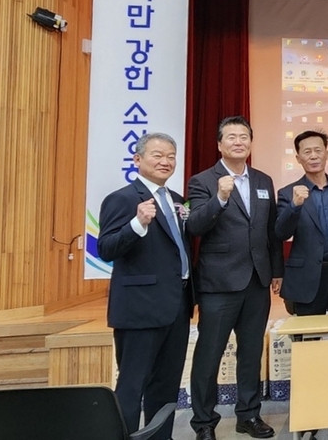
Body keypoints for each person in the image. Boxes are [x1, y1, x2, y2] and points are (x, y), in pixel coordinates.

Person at [186, 116, 283, 440]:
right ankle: (203, 423)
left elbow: (269, 232)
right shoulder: (203, 181)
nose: (238, 141)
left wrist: (276, 271)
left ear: (251, 143)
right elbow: (195, 226)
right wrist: (220, 199)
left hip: (257, 281)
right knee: (209, 355)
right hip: (219, 284)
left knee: (251, 352)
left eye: (244, 136)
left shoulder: (262, 180)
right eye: (231, 137)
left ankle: (249, 415)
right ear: (219, 144)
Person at [97, 133, 193, 440]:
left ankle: (160, 437)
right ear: (137, 160)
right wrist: (137, 224)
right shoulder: (122, 199)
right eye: (157, 155)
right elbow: (107, 248)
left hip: (176, 307)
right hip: (139, 309)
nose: (165, 162)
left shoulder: (177, 201)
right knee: (132, 385)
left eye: (171, 156)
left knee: (166, 386)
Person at [276, 130, 328, 316]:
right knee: (308, 340)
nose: (313, 156)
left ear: (326, 154)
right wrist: (294, 206)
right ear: (298, 158)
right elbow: (281, 233)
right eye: (307, 152)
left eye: (318, 150)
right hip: (307, 278)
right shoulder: (288, 193)